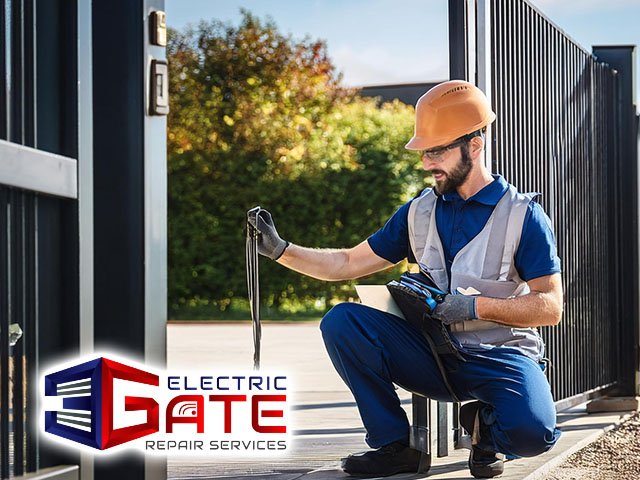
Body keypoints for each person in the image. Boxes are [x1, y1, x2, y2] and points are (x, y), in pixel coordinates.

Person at [248, 80, 563, 478]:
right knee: (344, 321)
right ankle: (395, 446)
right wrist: (281, 250)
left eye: (438, 150)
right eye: (424, 151)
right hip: (433, 354)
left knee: (533, 435)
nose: (427, 162)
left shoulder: (523, 215)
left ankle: (486, 432)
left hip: (501, 357)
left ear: (475, 145)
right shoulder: (417, 212)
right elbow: (346, 262)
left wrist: (473, 306)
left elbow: (550, 307)